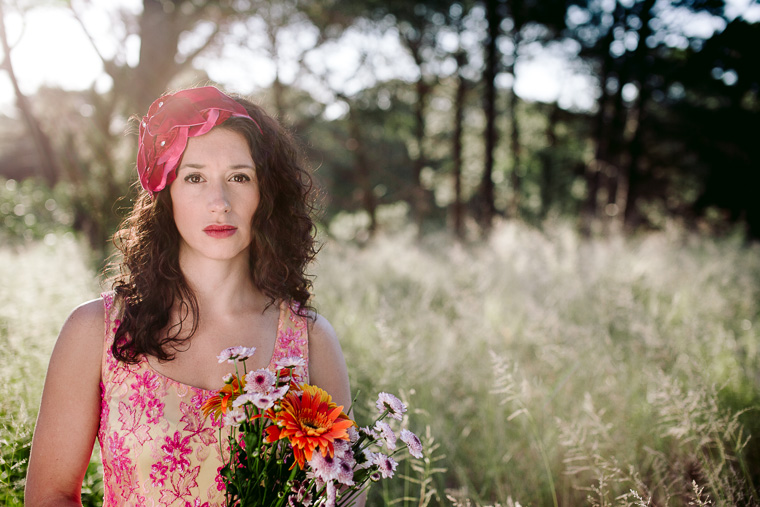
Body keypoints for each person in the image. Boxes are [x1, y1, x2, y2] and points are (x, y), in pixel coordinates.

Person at [24, 86, 356, 506]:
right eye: (195, 177)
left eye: (240, 177)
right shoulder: (96, 331)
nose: (219, 203)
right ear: (168, 194)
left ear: (264, 194)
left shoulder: (310, 339)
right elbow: (49, 496)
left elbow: (342, 496)